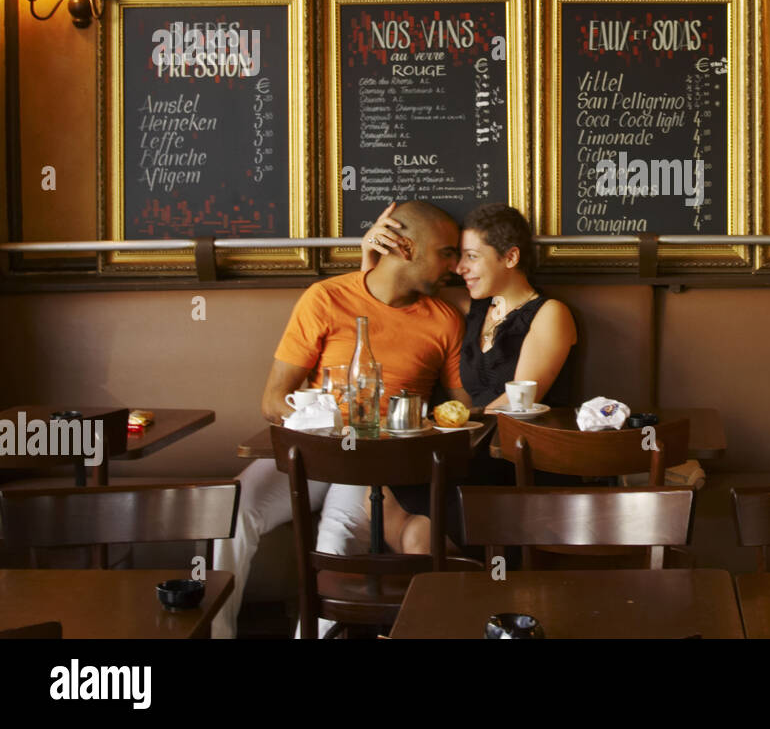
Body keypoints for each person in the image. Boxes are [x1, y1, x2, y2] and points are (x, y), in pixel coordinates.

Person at [213, 200, 467, 638]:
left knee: (333, 543)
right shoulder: (326, 298)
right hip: (310, 451)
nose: (456, 264)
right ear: (405, 247)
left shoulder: (445, 319)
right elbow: (273, 401)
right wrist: (328, 426)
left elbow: (462, 411)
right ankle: (213, 633)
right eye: (447, 252)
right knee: (228, 511)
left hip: (375, 464)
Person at [361, 201, 577, 554]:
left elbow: (516, 402)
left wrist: (447, 434)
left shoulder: (550, 313)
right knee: (383, 494)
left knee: (409, 516)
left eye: (472, 257)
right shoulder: (472, 307)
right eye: (459, 256)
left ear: (510, 258)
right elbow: (397, 288)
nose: (459, 267)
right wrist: (370, 258)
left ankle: (479, 583)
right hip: (471, 457)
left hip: (518, 462)